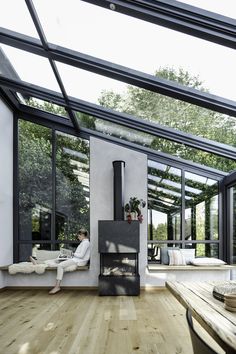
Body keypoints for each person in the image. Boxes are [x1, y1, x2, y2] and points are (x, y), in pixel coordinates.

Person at [30, 228, 90, 295]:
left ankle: (57, 286)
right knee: (56, 260)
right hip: (75, 259)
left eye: (79, 236)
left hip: (79, 261)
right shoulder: (83, 242)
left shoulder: (86, 243)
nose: (78, 237)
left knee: (60, 265)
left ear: (83, 235)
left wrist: (71, 253)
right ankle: (37, 262)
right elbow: (79, 254)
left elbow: (81, 256)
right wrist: (69, 254)